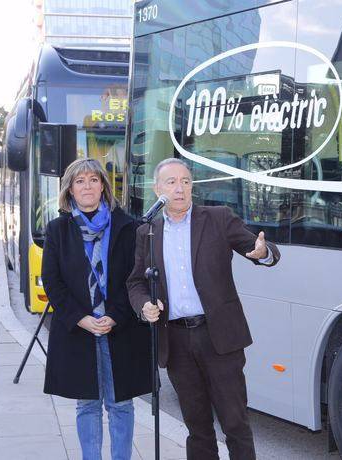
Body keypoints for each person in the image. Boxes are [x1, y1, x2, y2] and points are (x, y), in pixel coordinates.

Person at [127, 158, 281, 460]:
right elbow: (135, 283)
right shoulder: (148, 231)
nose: (180, 188)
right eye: (171, 182)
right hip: (177, 341)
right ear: (158, 189)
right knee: (197, 428)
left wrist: (263, 253)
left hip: (219, 338)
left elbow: (260, 248)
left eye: (185, 181)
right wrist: (144, 305)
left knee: (235, 424)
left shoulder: (218, 218)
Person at [41, 158, 151, 460]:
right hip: (78, 331)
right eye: (80, 181)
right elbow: (52, 281)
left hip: (121, 329)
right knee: (86, 404)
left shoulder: (128, 227)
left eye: (93, 179)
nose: (87, 186)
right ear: (70, 190)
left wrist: (114, 315)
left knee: (121, 404)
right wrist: (82, 318)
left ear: (103, 185)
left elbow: (135, 277)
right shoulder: (58, 229)